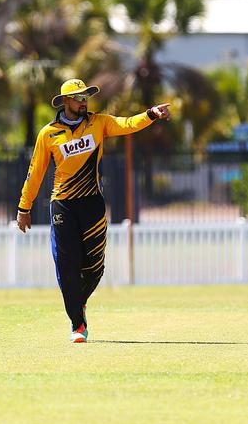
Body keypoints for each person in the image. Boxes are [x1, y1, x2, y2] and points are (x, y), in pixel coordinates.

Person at [17, 78, 171, 342]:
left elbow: (126, 124)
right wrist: (24, 207)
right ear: (65, 101)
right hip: (63, 204)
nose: (83, 101)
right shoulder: (48, 133)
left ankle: (79, 301)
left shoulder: (98, 123)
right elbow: (35, 172)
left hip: (92, 203)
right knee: (67, 265)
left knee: (95, 267)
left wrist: (150, 115)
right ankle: (78, 325)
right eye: (78, 97)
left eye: (86, 96)